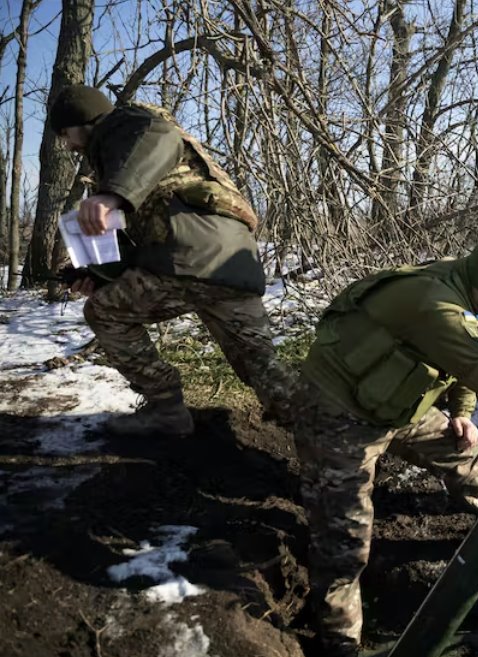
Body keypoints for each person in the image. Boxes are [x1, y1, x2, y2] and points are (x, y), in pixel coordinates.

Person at [294, 230, 478, 657]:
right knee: (344, 534)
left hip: (398, 403)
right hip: (339, 411)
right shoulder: (436, 303)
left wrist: (462, 412)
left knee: (463, 456)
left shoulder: (466, 286)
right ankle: (340, 647)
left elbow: (467, 354)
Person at [48, 85, 296, 435]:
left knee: (103, 313)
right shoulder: (127, 157)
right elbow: (149, 239)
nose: (67, 145)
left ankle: (166, 409)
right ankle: (339, 437)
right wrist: (97, 278)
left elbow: (161, 135)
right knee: (263, 368)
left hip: (187, 262)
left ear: (81, 121)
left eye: (64, 134)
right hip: (233, 266)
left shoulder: (126, 123)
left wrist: (111, 196)